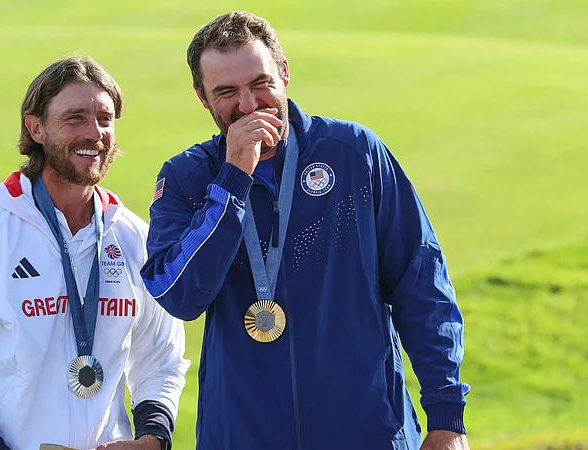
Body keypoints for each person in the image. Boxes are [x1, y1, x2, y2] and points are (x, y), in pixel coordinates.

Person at [141, 11, 470, 450]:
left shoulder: (353, 153)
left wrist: (447, 418)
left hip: (368, 432)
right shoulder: (188, 177)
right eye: (226, 92)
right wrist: (232, 180)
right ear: (202, 97)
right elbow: (178, 294)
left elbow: (421, 283)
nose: (249, 105)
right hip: (242, 436)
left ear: (285, 73)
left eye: (260, 83)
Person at [0, 56, 189, 450]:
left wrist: (153, 436)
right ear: (36, 128)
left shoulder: (133, 237)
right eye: (75, 118)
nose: (95, 133)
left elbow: (160, 359)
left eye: (105, 119)